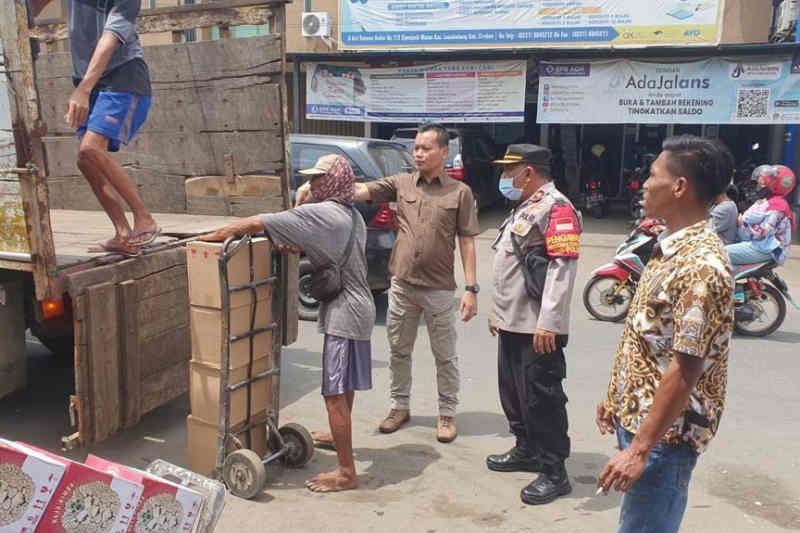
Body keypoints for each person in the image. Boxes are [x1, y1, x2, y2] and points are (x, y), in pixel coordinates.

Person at [200, 155, 376, 493]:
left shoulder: (323, 214)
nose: (312, 185)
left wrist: (208, 239)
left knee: (333, 393)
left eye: (319, 180)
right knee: (344, 386)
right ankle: (339, 439)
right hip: (359, 306)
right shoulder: (352, 215)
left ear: (336, 181)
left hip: (346, 314)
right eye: (310, 179)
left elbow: (254, 223)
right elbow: (325, 249)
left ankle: (346, 472)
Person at [297, 123, 480, 443]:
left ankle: (447, 413)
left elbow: (467, 241)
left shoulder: (459, 193)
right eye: (416, 148)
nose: (419, 153)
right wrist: (315, 187)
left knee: (445, 356)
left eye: (426, 148)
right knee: (399, 351)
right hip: (403, 285)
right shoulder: (401, 183)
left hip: (439, 289)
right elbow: (358, 191)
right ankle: (400, 406)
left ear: (444, 152)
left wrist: (471, 288)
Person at [596, 135, 735, 533]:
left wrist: (640, 450)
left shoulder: (701, 265)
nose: (642, 183)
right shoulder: (668, 245)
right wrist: (616, 394)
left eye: (652, 174)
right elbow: (648, 335)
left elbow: (686, 369)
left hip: (664, 439)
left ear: (679, 187)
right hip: (643, 423)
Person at [486, 144, 581, 505]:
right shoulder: (526, 206)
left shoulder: (557, 208)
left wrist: (550, 323)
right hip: (513, 322)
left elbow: (562, 267)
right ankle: (525, 448)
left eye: (510, 171)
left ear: (528, 172)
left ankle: (555, 472)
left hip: (538, 327)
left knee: (543, 399)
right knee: (513, 392)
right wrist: (498, 312)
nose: (505, 178)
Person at [30, 0, 159, 256]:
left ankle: (144, 219)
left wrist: (83, 90)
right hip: (91, 83)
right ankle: (122, 233)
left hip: (122, 78)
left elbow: (111, 38)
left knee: (90, 149)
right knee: (85, 160)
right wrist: (22, 19)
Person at [726, 164, 796, 266]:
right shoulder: (768, 201)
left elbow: (763, 232)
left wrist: (742, 223)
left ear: (776, 184)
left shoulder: (778, 206)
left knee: (720, 253)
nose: (760, 185)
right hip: (760, 245)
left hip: (766, 248)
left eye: (766, 182)